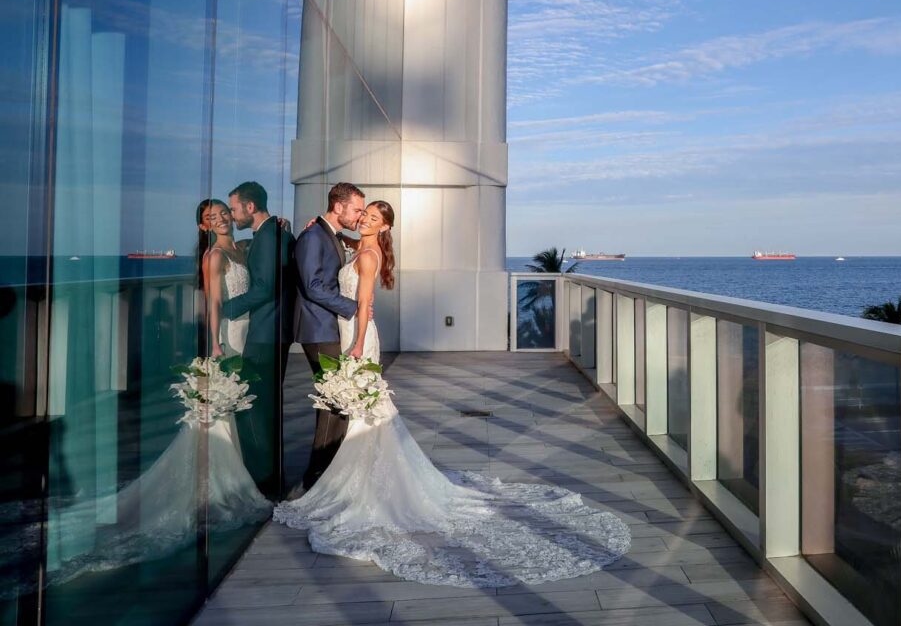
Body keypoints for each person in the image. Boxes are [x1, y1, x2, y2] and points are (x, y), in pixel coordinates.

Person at [275, 200, 632, 588]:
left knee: (362, 411)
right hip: (350, 331)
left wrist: (359, 344)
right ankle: (345, 476)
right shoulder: (360, 247)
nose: (364, 220)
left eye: (373, 218)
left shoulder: (367, 255)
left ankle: (360, 485)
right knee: (361, 410)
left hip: (356, 336)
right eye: (363, 215)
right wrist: (330, 229)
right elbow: (346, 260)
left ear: (385, 227)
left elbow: (363, 305)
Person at [223, 181, 297, 498]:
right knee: (266, 407)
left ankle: (263, 483)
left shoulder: (268, 236)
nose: (233, 215)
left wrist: (226, 307)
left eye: (235, 209)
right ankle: (271, 478)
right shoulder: (275, 233)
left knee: (255, 408)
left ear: (250, 207)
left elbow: (264, 288)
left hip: (265, 333)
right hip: (274, 331)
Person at [293, 182, 364, 490]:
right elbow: (312, 287)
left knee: (336, 401)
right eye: (357, 210)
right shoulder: (312, 236)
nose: (360, 216)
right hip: (318, 329)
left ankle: (327, 472)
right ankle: (315, 478)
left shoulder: (327, 234)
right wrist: (354, 307)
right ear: (339, 207)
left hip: (327, 327)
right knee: (331, 401)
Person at [195, 198, 249, 356]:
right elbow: (214, 302)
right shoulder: (216, 255)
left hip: (250, 327)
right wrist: (215, 344)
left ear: (232, 215)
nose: (220, 219)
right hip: (232, 332)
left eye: (223, 213)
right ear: (204, 227)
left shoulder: (243, 247)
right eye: (211, 218)